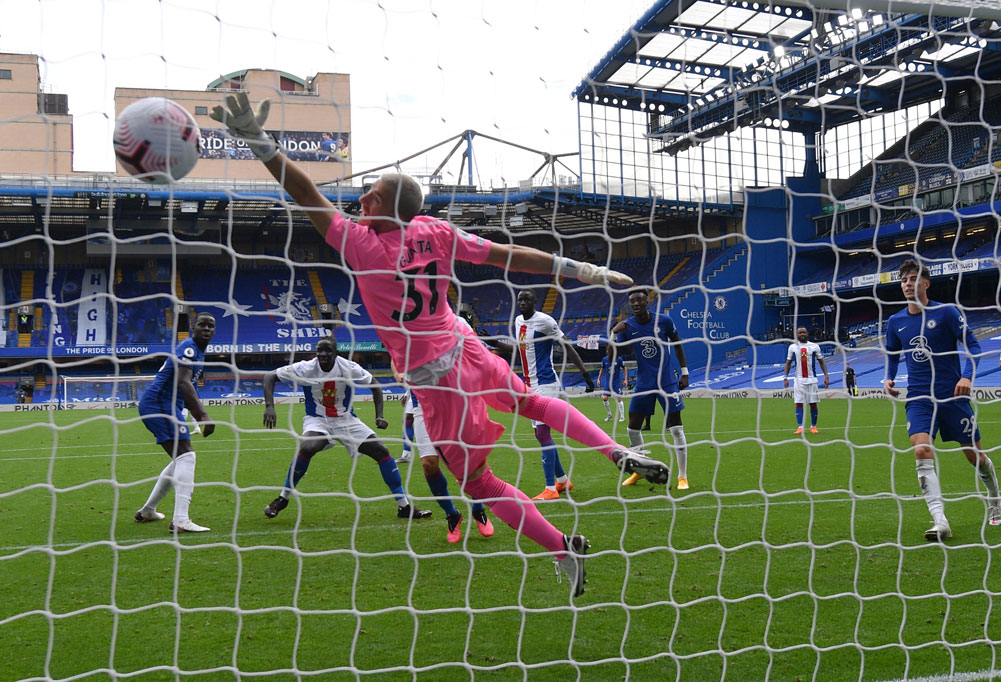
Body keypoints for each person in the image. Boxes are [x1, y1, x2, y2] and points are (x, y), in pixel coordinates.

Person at [212, 93, 668, 597]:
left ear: (383, 206)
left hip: (436, 378)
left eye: (369, 194)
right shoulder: (439, 232)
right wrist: (581, 270)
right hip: (466, 344)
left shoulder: (361, 244)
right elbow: (508, 255)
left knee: (478, 485)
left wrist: (259, 144)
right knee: (533, 402)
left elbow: (306, 194)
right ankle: (615, 451)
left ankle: (560, 549)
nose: (359, 200)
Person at [884, 260, 1001, 541]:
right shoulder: (896, 322)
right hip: (919, 399)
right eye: (903, 280)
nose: (907, 284)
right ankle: (940, 520)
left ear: (926, 283)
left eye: (913, 279)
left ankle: (994, 498)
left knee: (974, 456)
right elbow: (891, 353)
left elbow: (973, 345)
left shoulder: (947, 312)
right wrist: (889, 377)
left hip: (953, 397)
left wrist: (967, 377)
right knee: (921, 450)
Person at [261, 336, 431, 521]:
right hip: (317, 419)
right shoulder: (306, 367)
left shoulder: (348, 367)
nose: (322, 354)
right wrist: (270, 406)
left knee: (381, 451)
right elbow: (270, 376)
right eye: (320, 350)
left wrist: (379, 415)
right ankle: (283, 499)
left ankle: (403, 506)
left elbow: (375, 385)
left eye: (327, 351)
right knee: (307, 447)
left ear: (335, 353)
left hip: (347, 420)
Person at [488, 290, 596, 500]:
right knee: (540, 435)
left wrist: (586, 375)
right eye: (520, 299)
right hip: (529, 385)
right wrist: (496, 343)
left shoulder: (546, 322)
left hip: (546, 384)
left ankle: (550, 488)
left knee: (543, 434)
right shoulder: (519, 321)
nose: (523, 302)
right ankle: (563, 481)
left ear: (535, 302)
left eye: (527, 299)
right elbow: (521, 351)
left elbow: (568, 348)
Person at [134, 312, 217, 533]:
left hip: (165, 406)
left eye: (211, 326)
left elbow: (191, 388)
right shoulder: (188, 348)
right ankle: (180, 519)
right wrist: (204, 416)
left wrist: (198, 415)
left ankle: (148, 510)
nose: (207, 329)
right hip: (160, 404)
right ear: (193, 327)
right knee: (187, 456)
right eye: (202, 325)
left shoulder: (198, 353)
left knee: (179, 459)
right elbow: (183, 382)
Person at [611, 288, 691, 491]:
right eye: (632, 302)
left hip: (667, 381)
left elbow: (678, 344)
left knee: (676, 428)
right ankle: (640, 469)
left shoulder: (664, 321)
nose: (636, 304)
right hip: (644, 382)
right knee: (632, 428)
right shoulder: (627, 327)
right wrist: (613, 333)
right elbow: (613, 355)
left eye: (639, 300)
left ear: (647, 301)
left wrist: (684, 372)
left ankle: (682, 476)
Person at [400, 387, 495, 542]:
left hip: (454, 402)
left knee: (471, 457)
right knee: (428, 465)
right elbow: (400, 366)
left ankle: (478, 509)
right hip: (423, 406)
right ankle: (452, 514)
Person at [783, 327, 829, 435]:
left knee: (813, 404)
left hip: (812, 379)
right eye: (800, 333)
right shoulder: (792, 347)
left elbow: (821, 362)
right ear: (797, 334)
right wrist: (785, 377)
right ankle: (800, 427)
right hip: (798, 380)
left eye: (804, 332)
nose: (802, 334)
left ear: (807, 333)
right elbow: (788, 363)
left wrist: (826, 375)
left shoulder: (814, 346)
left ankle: (813, 426)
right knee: (798, 403)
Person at [597, 345, 626, 423]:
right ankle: (609, 414)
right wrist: (599, 379)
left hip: (616, 383)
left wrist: (626, 379)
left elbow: (624, 368)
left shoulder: (619, 359)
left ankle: (622, 416)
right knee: (604, 398)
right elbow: (602, 369)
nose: (607, 351)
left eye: (608, 350)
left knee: (619, 399)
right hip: (607, 383)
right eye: (607, 350)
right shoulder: (605, 359)